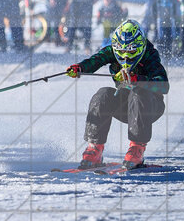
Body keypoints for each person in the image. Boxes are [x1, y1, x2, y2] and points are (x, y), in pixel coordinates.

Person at [66, 19, 169, 169]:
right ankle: (95, 148)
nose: (126, 56)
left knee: (137, 93)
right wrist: (80, 68)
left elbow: (163, 86)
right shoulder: (112, 51)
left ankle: (137, 148)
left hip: (149, 107)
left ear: (140, 47)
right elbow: (97, 60)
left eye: (132, 51)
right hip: (125, 106)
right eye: (122, 52)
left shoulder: (150, 54)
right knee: (103, 94)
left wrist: (137, 80)